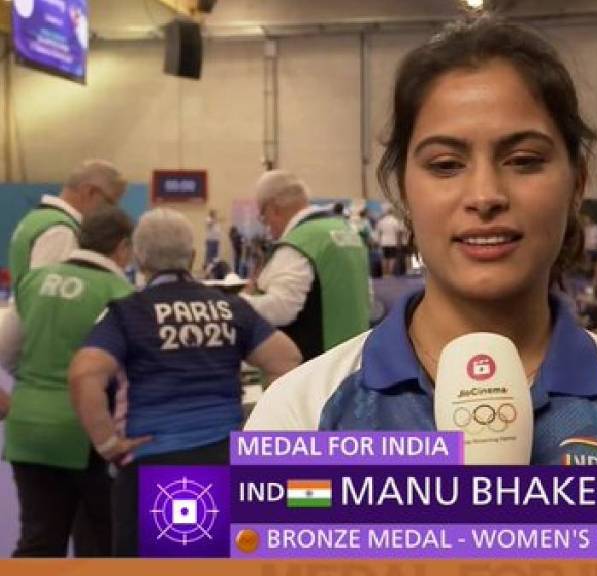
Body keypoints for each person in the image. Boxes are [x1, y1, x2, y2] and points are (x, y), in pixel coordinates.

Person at [244, 17, 597, 466]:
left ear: (577, 183)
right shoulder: (299, 417)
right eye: (445, 165)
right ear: (403, 190)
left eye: (523, 160)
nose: (485, 196)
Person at [67, 208, 301, 556]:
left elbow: (84, 374)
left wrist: (106, 444)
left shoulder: (127, 313)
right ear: (192, 257)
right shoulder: (229, 307)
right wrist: (258, 430)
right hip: (225, 461)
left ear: (139, 257)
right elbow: (287, 360)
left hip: (151, 464)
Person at [0, 208, 134, 557]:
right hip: (88, 433)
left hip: (27, 426)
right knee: (101, 541)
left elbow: (6, 347)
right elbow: (128, 373)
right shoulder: (121, 293)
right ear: (123, 247)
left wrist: (32, 386)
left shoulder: (32, 282)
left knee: (38, 541)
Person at [242, 170, 371, 361]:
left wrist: (239, 303)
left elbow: (281, 309)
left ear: (273, 209)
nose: (267, 226)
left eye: (264, 217)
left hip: (312, 371)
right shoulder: (346, 232)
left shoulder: (300, 243)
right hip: (354, 361)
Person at [8, 160, 126, 293]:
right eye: (110, 203)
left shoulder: (36, 219)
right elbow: (47, 297)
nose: (110, 211)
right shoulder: (61, 231)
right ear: (89, 192)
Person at [376, 205, 406, 276]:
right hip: (393, 242)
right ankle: (390, 273)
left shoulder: (381, 221)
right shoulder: (395, 221)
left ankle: (384, 273)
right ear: (392, 212)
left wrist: (379, 242)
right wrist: (399, 243)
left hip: (384, 242)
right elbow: (398, 233)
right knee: (392, 258)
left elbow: (379, 233)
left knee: (384, 258)